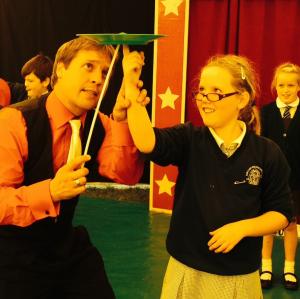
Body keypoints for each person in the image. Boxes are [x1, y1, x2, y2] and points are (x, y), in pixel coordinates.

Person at [123, 49, 293, 298]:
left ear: (242, 99)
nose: (204, 99)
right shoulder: (189, 138)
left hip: (239, 276)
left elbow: (280, 213)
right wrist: (130, 87)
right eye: (201, 91)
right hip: (186, 269)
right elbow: (147, 142)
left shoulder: (267, 152)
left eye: (215, 92)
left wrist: (241, 229)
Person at [0, 37, 146, 299]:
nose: (98, 79)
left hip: (65, 245)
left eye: (103, 71)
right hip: (12, 250)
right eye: (88, 67)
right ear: (60, 70)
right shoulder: (14, 121)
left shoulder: (99, 123)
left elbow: (125, 175)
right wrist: (51, 192)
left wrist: (123, 120)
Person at [260, 63, 300, 291]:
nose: (286, 90)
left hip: (296, 181)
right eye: (282, 85)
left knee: (291, 225)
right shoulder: (265, 112)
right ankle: (265, 266)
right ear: (275, 86)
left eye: (291, 85)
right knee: (267, 225)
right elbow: (260, 145)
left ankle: (289, 268)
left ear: (298, 86)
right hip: (270, 179)